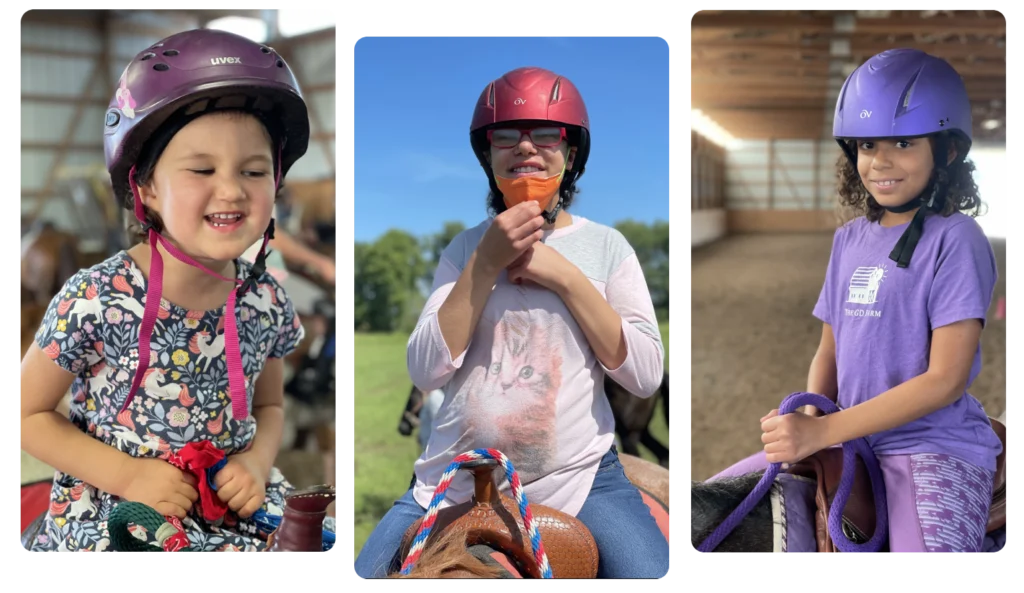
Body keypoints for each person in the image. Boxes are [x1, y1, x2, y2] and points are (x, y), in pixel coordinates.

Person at [17, 28, 336, 552]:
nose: (231, 189)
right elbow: (28, 416)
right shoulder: (95, 298)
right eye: (202, 169)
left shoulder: (267, 301)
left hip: (234, 506)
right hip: (119, 509)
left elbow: (271, 407)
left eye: (254, 170)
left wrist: (256, 462)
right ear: (146, 187)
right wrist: (129, 477)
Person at [354, 66, 669, 579]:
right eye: (507, 136)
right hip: (451, 480)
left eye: (547, 134)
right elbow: (424, 368)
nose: (526, 148)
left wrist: (565, 276)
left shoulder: (608, 247)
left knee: (651, 574)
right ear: (489, 157)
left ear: (571, 156)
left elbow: (646, 373)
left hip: (581, 478)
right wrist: (485, 262)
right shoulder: (463, 248)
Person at [706, 48, 1002, 555]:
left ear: (948, 151)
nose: (880, 161)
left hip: (934, 445)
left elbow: (945, 378)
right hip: (850, 436)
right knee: (705, 509)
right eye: (867, 145)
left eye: (904, 142)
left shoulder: (958, 239)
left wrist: (825, 433)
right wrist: (815, 423)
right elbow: (831, 350)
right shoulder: (848, 241)